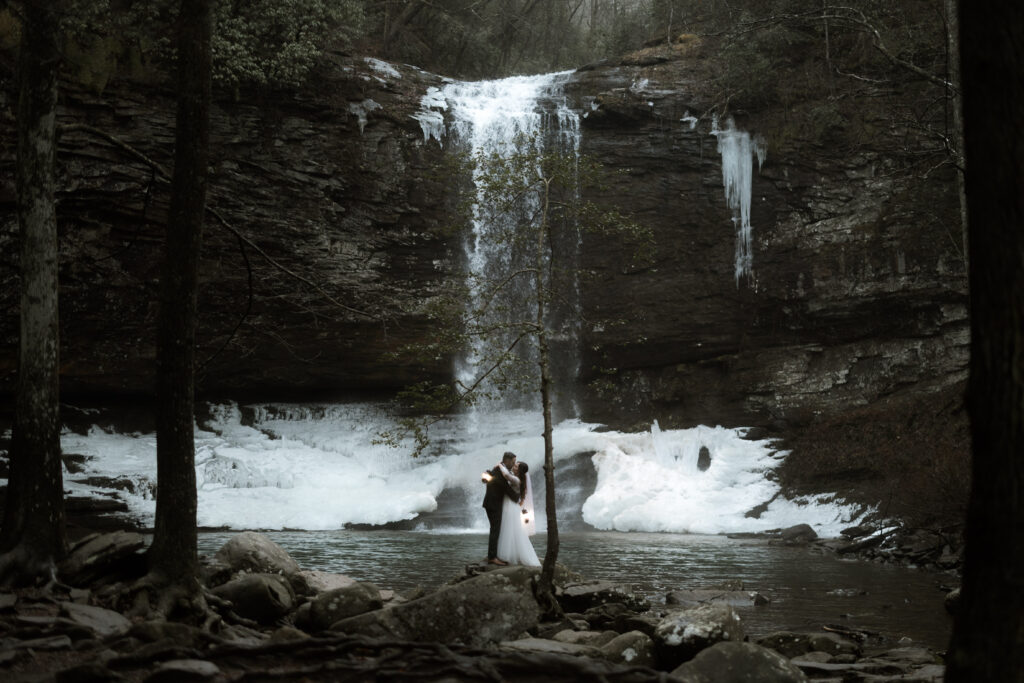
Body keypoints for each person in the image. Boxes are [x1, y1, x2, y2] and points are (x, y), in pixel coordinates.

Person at [495, 461, 541, 567]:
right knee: (510, 530)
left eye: (516, 466)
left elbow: (506, 475)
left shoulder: (517, 479)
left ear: (519, 470)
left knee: (511, 529)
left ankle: (508, 555)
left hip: (510, 506)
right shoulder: (516, 478)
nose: (514, 466)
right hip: (510, 505)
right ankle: (511, 554)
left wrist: (500, 465)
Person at [481, 451, 518, 565]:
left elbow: (489, 475)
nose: (513, 464)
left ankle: (492, 555)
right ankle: (492, 557)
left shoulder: (499, 469)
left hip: (491, 503)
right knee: (495, 530)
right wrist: (519, 497)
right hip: (493, 504)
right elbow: (506, 488)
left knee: (495, 529)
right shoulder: (500, 472)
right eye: (512, 462)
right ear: (506, 461)